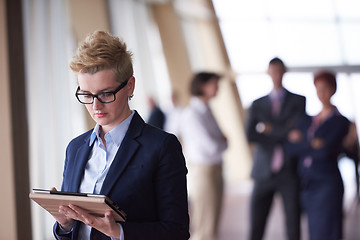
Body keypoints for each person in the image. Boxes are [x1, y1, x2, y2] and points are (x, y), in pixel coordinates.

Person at [51, 30, 190, 240]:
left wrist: (119, 232)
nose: (95, 106)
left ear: (130, 86)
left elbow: (176, 231)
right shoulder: (75, 147)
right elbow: (74, 232)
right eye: (86, 95)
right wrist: (66, 225)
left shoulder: (161, 147)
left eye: (106, 94)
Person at [246, 57, 305, 240]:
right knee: (256, 225)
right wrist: (285, 131)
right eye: (273, 71)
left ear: (284, 72)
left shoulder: (298, 100)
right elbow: (250, 135)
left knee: (293, 223)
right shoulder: (257, 104)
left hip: (289, 170)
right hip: (263, 170)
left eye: (279, 71)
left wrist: (268, 129)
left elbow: (299, 130)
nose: (276, 75)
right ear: (268, 73)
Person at [287, 70, 350, 240]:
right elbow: (290, 148)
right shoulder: (308, 120)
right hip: (307, 182)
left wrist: (302, 142)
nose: (321, 94)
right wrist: (311, 143)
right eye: (318, 89)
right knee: (315, 231)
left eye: (325, 89)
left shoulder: (340, 121)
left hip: (327, 183)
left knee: (328, 230)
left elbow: (325, 151)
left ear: (333, 90)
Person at [180, 72, 228, 240]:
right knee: (204, 225)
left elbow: (223, 141)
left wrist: (221, 141)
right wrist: (222, 141)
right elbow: (213, 146)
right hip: (203, 172)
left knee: (212, 222)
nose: (217, 88)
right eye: (214, 84)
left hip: (215, 168)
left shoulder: (206, 110)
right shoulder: (192, 113)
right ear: (202, 86)